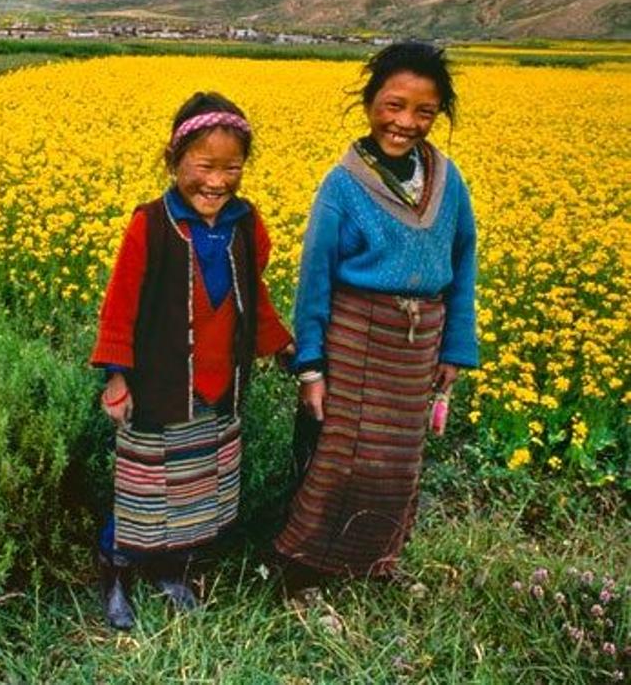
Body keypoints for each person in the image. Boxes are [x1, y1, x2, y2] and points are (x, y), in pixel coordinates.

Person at [273, 41, 479, 589]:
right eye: (393, 105)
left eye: (424, 111)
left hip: (418, 350)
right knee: (340, 459)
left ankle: (373, 563)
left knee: (398, 464)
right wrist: (310, 366)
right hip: (356, 341)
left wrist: (455, 350)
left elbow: (463, 261)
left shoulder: (446, 178)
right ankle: (304, 573)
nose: (405, 122)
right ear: (369, 104)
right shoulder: (343, 184)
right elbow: (314, 278)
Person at [90, 92, 294, 630]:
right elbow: (120, 304)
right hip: (158, 386)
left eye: (232, 168)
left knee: (194, 487)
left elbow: (257, 293)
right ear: (174, 161)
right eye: (205, 166)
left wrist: (282, 344)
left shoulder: (247, 225)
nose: (218, 181)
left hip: (217, 387)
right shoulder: (150, 224)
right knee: (143, 488)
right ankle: (117, 574)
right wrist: (117, 377)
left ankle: (170, 569)